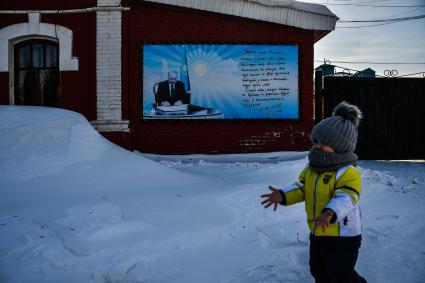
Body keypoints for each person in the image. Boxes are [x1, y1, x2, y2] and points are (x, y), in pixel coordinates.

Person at [261, 101, 367, 283]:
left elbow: (347, 197)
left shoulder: (348, 172)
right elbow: (302, 187)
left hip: (343, 236)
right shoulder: (312, 168)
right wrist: (283, 195)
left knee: (341, 275)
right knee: (318, 270)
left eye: (324, 143)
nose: (318, 146)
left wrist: (330, 212)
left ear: (341, 146)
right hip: (318, 230)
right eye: (316, 141)